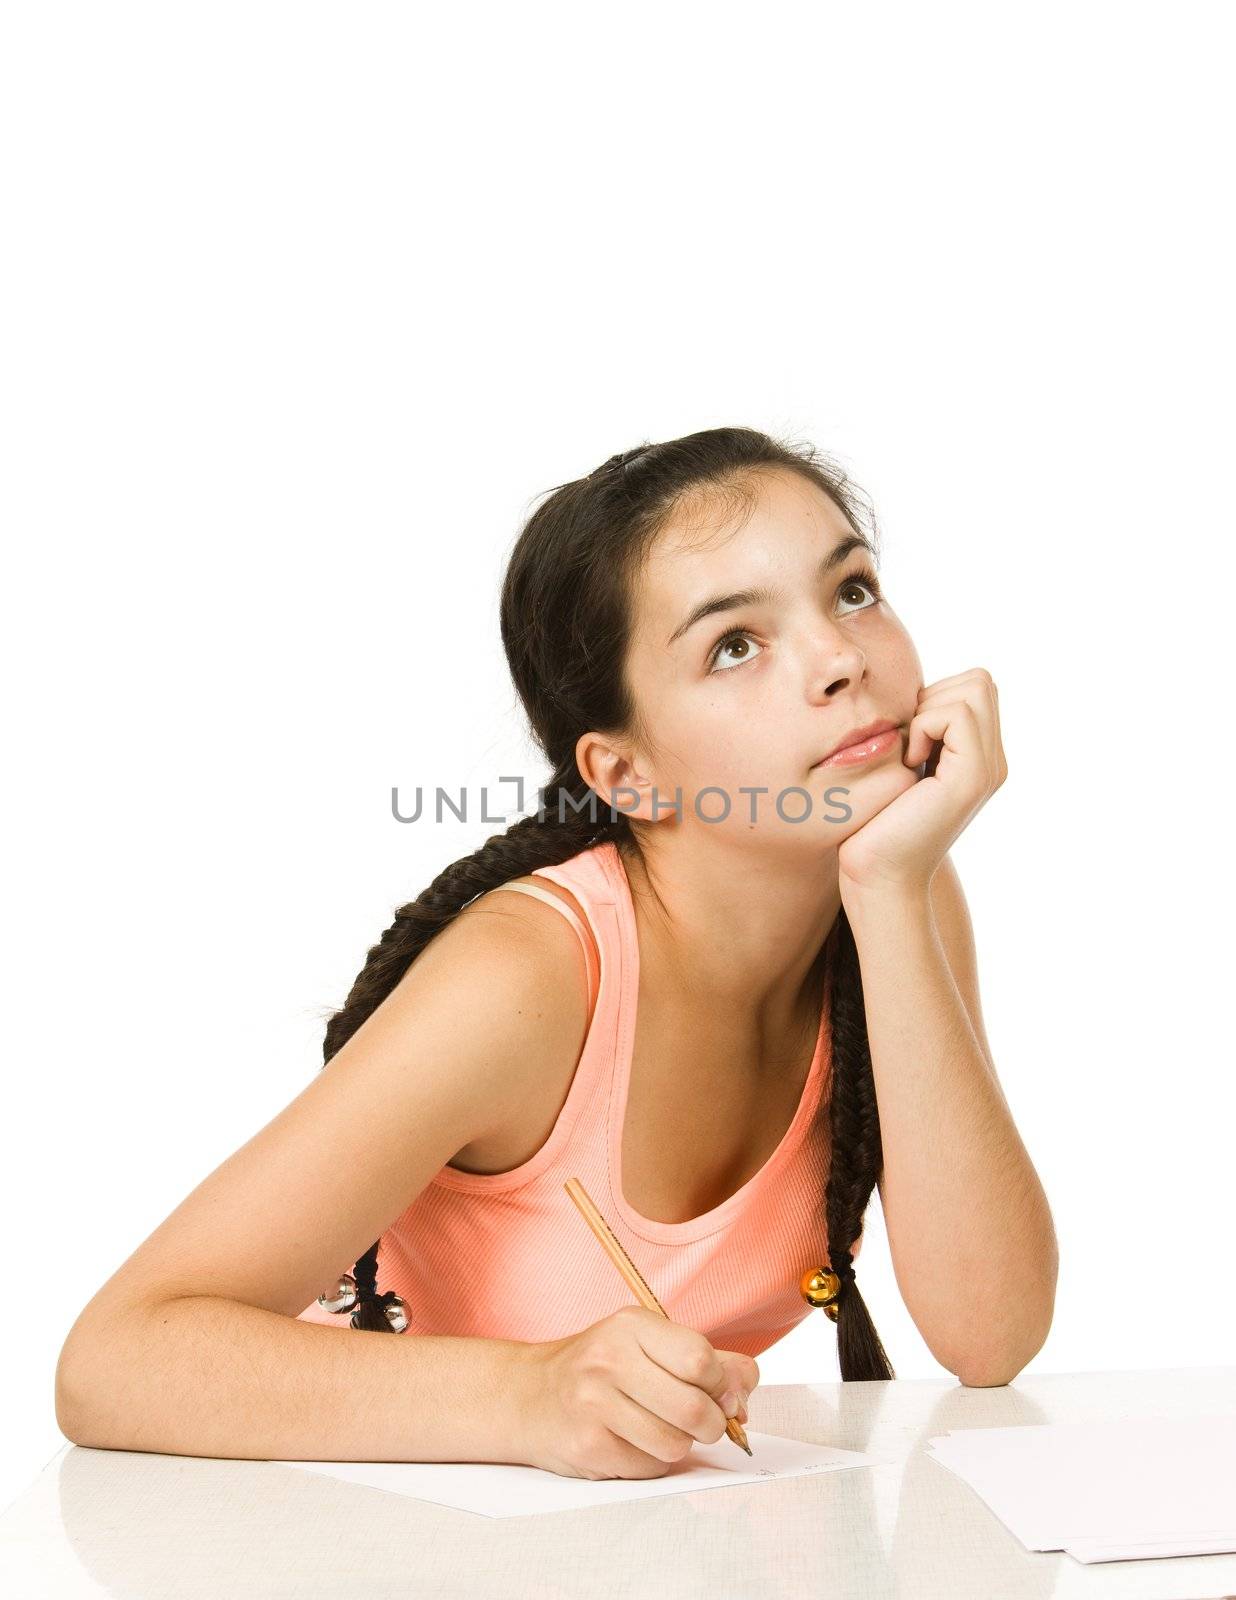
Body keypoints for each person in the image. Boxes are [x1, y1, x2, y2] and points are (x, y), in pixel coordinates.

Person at [56, 426, 1052, 1482]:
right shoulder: (525, 976)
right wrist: (530, 1394)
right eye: (733, 644)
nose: (843, 659)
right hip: (336, 1528)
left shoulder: (900, 892)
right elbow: (113, 1359)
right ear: (624, 773)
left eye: (852, 589)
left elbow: (989, 1340)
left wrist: (893, 894)